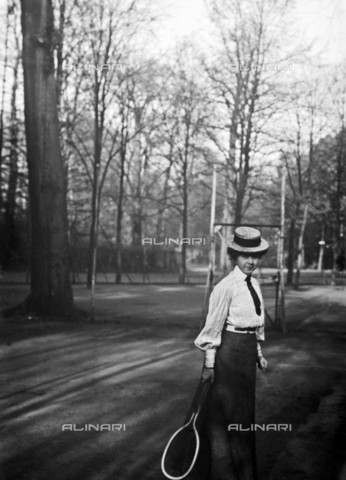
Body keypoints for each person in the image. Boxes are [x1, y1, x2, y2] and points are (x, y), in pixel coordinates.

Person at [195, 226, 269, 480]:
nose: (251, 261)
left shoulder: (255, 284)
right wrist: (209, 364)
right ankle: (237, 474)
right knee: (233, 417)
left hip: (246, 353)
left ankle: (231, 472)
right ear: (233, 256)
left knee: (239, 414)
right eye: (244, 255)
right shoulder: (225, 286)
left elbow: (254, 323)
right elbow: (213, 327)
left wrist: (258, 353)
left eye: (256, 256)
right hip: (228, 352)